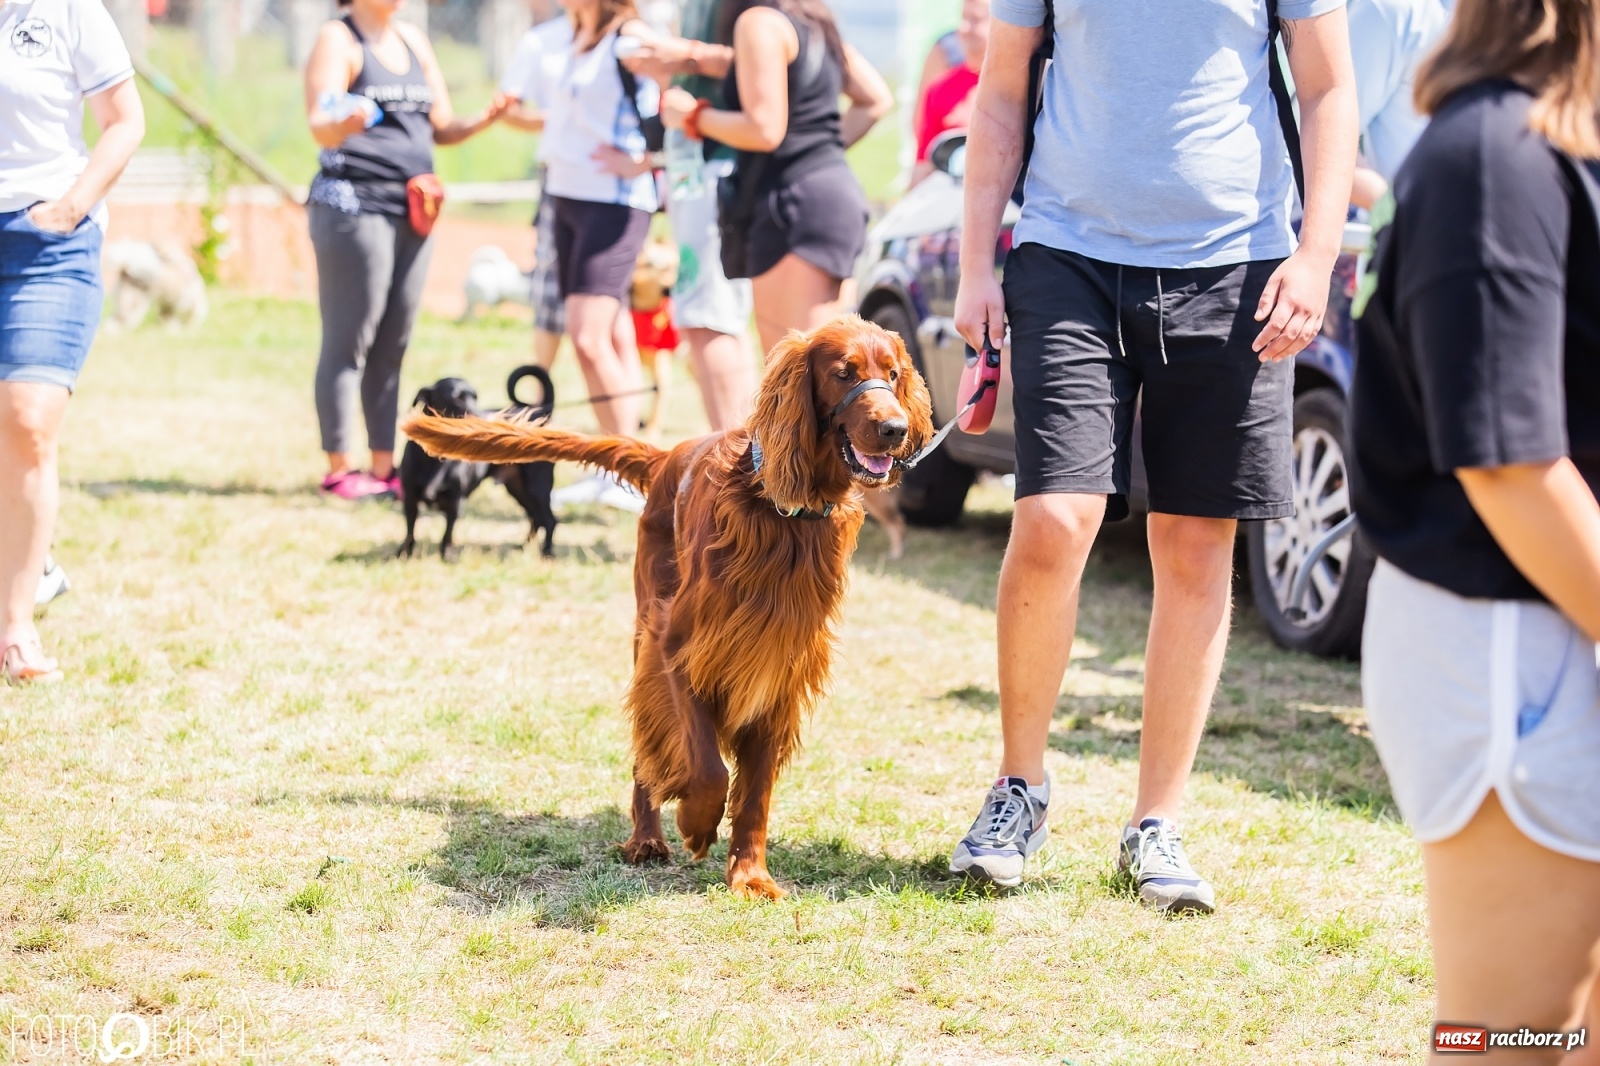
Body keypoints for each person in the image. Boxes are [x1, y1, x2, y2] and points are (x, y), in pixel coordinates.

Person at [948, 0, 1357, 910]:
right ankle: (1021, 786)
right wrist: (979, 265)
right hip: (1068, 253)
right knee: (1055, 518)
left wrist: (1316, 252)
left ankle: (1155, 825)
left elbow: (1330, 88)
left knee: (1197, 543)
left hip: (1239, 263)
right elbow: (1003, 93)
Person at [1349, 0, 1600, 1046]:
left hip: (1556, 619)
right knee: (1517, 1036)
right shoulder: (1495, 156)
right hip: (1506, 637)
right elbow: (1506, 463)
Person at [304, 0, 509, 500]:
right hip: (354, 204)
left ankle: (383, 467)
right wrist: (345, 120)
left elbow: (439, 125)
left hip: (414, 206)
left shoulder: (413, 39)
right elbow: (319, 119)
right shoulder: (340, 38)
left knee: (393, 342)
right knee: (350, 338)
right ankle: (340, 467)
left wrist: (484, 118)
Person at [1, 0, 145, 684]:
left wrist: (68, 207)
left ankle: (15, 621)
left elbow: (124, 120)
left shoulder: (67, 9)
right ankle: (34, 562)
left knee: (29, 418)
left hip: (45, 241)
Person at [659, 0, 892, 356]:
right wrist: (819, 155)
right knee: (820, 366)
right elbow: (875, 99)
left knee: (799, 371)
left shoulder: (758, 22)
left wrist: (692, 116)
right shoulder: (811, 18)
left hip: (793, 205)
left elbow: (765, 129)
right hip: (825, 195)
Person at [534, 0, 662, 512]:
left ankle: (632, 471)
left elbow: (673, 105)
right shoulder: (574, 37)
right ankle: (615, 467)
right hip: (566, 196)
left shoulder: (630, 38)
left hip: (612, 204)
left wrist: (647, 160)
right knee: (609, 335)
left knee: (587, 337)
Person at [620, 0, 760, 432]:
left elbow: (764, 63)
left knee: (708, 319)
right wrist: (669, 67)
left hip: (718, 165)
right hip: (693, 164)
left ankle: (743, 468)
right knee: (707, 319)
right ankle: (750, 464)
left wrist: (684, 56)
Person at [501, 0, 575, 371]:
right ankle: (539, 387)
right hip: (559, 177)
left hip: (615, 183)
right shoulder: (542, 42)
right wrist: (560, 119)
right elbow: (508, 108)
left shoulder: (627, 38)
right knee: (550, 284)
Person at [1344, 0, 1449, 208]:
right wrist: (1399, 215)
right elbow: (1323, 144)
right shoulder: (1390, 9)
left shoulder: (1523, 18)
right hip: (1391, 230)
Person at [912, 0, 989, 186]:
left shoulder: (1020, 86)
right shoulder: (941, 87)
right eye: (963, 18)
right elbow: (923, 161)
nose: (964, 29)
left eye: (976, 20)